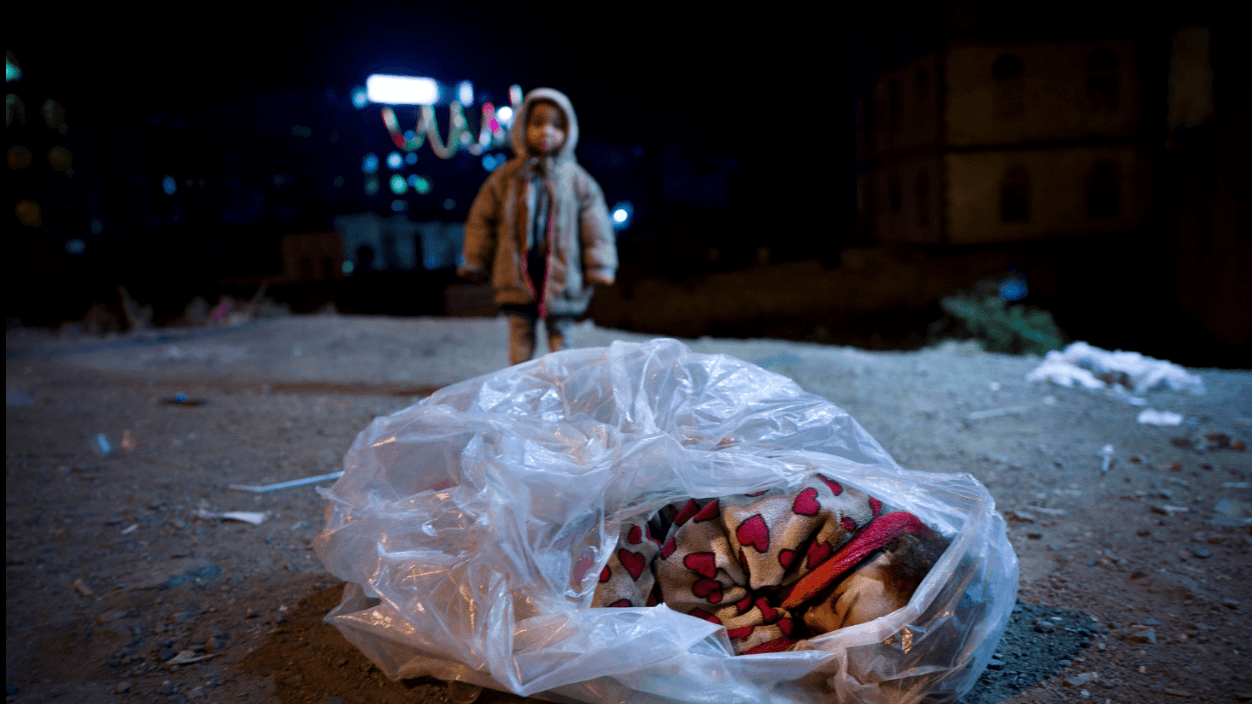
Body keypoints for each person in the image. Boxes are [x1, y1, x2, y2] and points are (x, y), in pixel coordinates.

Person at [591, 475, 950, 655]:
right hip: (648, 515)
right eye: (836, 606)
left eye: (823, 633)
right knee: (607, 622)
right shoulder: (809, 519)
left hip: (668, 535)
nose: (811, 620)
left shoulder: (849, 564)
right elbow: (686, 568)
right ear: (888, 553)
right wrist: (769, 637)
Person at [459, 87, 618, 365]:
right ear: (522, 128)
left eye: (556, 125)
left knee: (561, 333)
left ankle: (565, 384)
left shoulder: (577, 179)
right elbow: (481, 221)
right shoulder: (506, 177)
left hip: (562, 273)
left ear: (568, 131)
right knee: (520, 331)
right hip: (516, 271)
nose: (546, 132)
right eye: (537, 124)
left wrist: (600, 264)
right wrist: (475, 259)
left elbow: (596, 226)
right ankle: (519, 384)